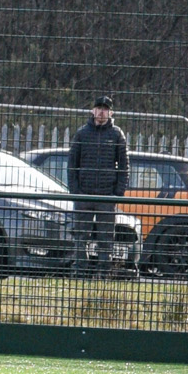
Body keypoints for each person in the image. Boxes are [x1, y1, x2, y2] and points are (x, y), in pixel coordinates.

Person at [68, 96, 129, 276]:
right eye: (99, 108)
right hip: (84, 195)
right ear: (92, 110)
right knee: (80, 236)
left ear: (111, 112)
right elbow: (72, 164)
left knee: (106, 238)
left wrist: (117, 192)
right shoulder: (81, 134)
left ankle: (103, 272)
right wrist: (75, 191)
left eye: (105, 109)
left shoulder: (117, 134)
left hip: (106, 196)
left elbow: (124, 165)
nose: (101, 112)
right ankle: (80, 271)